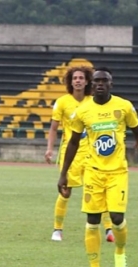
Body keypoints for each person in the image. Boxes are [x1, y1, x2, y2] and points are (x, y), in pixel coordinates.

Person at [57, 67, 138, 267]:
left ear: (111, 84)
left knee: (117, 218)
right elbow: (73, 142)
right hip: (93, 171)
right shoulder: (83, 111)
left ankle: (120, 253)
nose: (100, 84)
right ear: (92, 85)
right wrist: (63, 173)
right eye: (97, 81)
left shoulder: (124, 106)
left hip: (117, 172)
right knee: (92, 220)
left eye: (104, 81)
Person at [45, 66, 114, 243]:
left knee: (99, 191)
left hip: (92, 154)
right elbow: (53, 128)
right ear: (70, 81)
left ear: (87, 81)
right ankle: (57, 230)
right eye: (75, 78)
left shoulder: (94, 102)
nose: (78, 80)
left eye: (81, 78)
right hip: (71, 155)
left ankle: (108, 230)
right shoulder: (62, 102)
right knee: (65, 192)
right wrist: (50, 149)